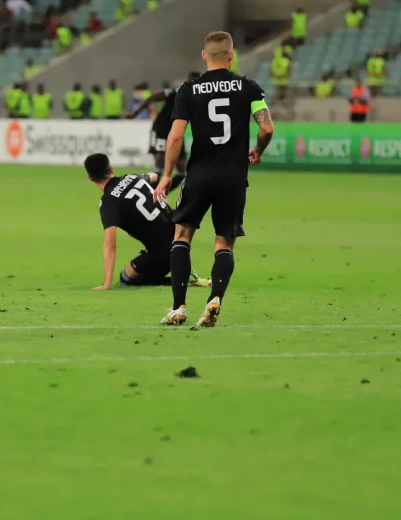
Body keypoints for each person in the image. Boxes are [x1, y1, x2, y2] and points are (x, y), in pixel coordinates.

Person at [153, 31, 273, 328]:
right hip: (233, 178)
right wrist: (257, 149)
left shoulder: (188, 89)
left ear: (204, 55)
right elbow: (267, 127)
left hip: (199, 176)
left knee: (181, 236)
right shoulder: (249, 88)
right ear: (231, 56)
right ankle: (215, 298)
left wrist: (167, 175)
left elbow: (177, 135)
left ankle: (178, 307)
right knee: (224, 243)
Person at [84, 153, 208, 290]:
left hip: (165, 252)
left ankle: (180, 277)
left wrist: (106, 284)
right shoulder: (130, 177)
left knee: (126, 278)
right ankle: (181, 269)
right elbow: (154, 176)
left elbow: (110, 244)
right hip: (182, 232)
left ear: (90, 177)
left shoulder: (108, 202)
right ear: (111, 169)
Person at [125, 80, 190, 193]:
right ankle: (149, 195)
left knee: (182, 171)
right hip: (161, 129)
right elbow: (153, 98)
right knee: (159, 164)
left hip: (176, 130)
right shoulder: (177, 91)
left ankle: (160, 194)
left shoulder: (198, 94)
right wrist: (135, 113)